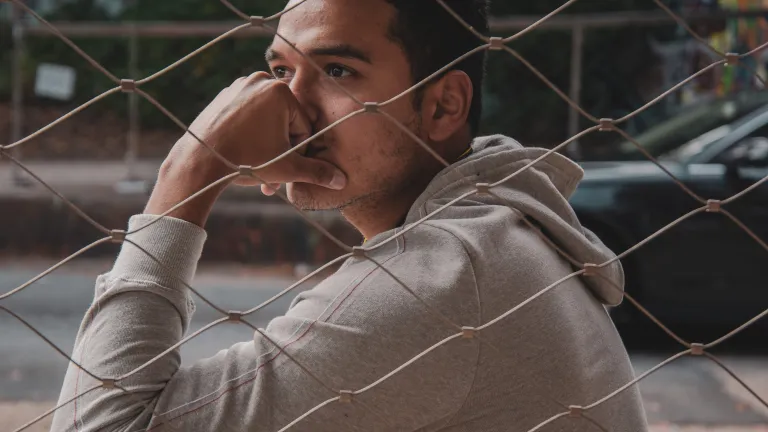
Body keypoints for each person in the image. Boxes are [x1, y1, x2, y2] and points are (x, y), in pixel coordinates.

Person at [51, 0, 648, 431]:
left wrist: (187, 174)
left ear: (443, 106)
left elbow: (98, 424)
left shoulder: (439, 279)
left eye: (338, 71)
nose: (290, 107)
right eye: (282, 70)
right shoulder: (493, 229)